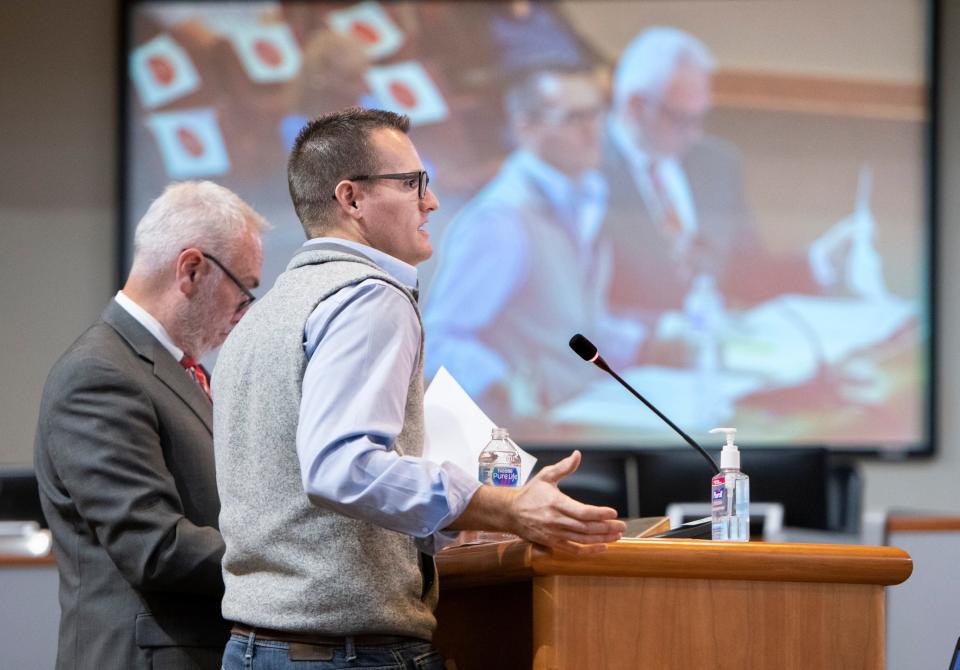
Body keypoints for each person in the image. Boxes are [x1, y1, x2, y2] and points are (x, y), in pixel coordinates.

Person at [212, 108, 625, 669]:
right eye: (412, 184)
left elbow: (295, 490)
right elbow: (342, 467)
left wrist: (445, 521)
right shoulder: (369, 296)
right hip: (344, 656)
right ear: (351, 199)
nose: (431, 202)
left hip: (255, 646)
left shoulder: (264, 315)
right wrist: (502, 507)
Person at [34, 181, 268, 670]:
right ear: (192, 269)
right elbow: (155, 547)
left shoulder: (167, 369)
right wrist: (290, 559)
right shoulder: (99, 373)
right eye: (244, 293)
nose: (241, 317)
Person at [424, 68, 644, 418]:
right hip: (532, 435)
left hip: (585, 411)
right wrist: (507, 386)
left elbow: (568, 325)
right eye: (574, 118)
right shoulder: (501, 220)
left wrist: (648, 345)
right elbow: (439, 340)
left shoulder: (587, 197)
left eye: (598, 114)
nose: (594, 131)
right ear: (524, 127)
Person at [603, 26, 816, 320]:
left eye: (702, 117)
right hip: (628, 356)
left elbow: (747, 273)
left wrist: (818, 264)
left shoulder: (716, 163)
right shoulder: (585, 171)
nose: (695, 134)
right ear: (635, 105)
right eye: (683, 119)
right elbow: (579, 304)